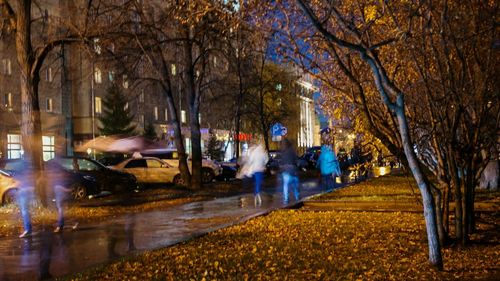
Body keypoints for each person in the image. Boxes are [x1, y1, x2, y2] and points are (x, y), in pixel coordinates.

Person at [236, 142, 268, 206]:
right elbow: (266, 160)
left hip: (254, 169)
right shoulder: (263, 152)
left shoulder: (253, 152)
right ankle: (257, 193)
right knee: (258, 182)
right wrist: (263, 164)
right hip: (260, 169)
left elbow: (250, 160)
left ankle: (256, 193)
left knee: (256, 182)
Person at [16, 168, 36, 238]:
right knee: (25, 210)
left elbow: (21, 180)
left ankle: (27, 230)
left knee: (24, 211)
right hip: (26, 190)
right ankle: (28, 229)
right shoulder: (28, 167)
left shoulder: (22, 167)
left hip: (24, 191)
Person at [280, 139, 299, 203]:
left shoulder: (283, 152)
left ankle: (286, 199)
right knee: (294, 185)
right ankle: (297, 197)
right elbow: (295, 160)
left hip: (286, 171)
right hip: (292, 169)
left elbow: (282, 161)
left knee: (286, 185)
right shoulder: (292, 151)